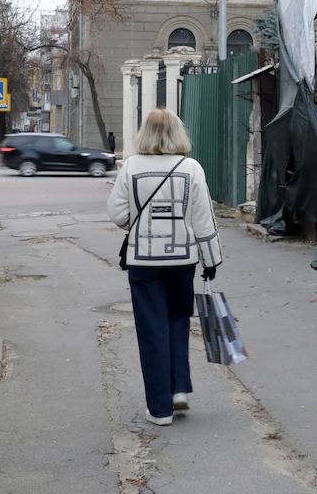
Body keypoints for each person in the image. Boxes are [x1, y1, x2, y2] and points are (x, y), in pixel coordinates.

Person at [107, 108, 221, 426]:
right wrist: (211, 260)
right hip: (183, 259)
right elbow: (203, 218)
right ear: (177, 133)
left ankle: (160, 410)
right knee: (178, 319)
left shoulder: (130, 167)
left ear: (146, 133)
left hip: (143, 262)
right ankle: (179, 388)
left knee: (151, 329)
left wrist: (138, 224)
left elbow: (115, 211)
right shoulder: (191, 168)